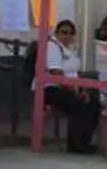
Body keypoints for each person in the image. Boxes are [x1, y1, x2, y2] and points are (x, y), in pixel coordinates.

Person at [35, 20, 99, 154]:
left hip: (69, 86)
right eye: (63, 32)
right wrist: (74, 91)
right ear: (57, 33)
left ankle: (85, 141)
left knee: (94, 104)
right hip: (51, 87)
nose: (67, 36)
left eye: (71, 33)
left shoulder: (70, 51)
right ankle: (75, 144)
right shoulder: (52, 47)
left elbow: (73, 74)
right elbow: (56, 73)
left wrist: (82, 89)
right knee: (78, 105)